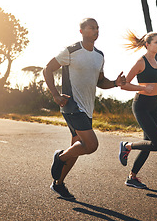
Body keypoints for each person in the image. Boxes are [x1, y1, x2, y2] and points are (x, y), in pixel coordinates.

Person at [43, 18, 126, 199]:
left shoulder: (99, 55)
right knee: (91, 145)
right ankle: (60, 158)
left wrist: (115, 83)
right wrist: (56, 95)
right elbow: (47, 69)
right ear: (81, 31)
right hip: (72, 105)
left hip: (87, 108)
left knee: (77, 146)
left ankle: (58, 183)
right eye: (91, 28)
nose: (96, 31)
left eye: (97, 28)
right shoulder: (71, 51)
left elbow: (100, 82)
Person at [118, 31, 157, 189]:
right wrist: (142, 87)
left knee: (148, 144)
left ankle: (132, 177)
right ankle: (127, 146)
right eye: (156, 42)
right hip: (141, 105)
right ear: (147, 45)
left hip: (154, 105)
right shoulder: (140, 63)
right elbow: (124, 84)